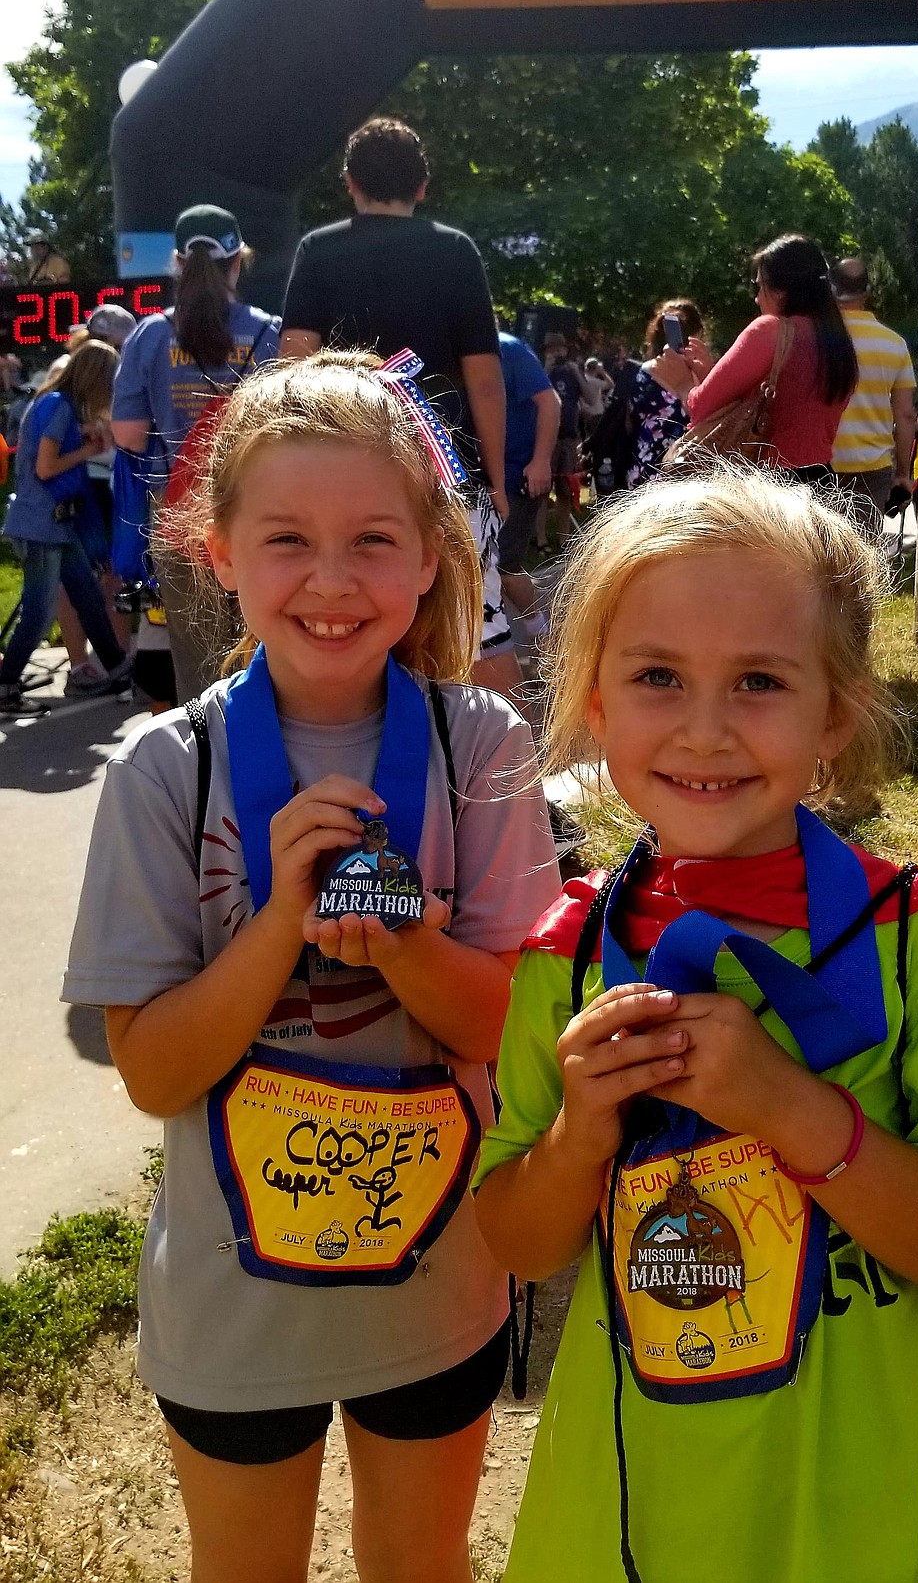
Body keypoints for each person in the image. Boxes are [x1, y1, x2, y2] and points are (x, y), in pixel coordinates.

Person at [474, 466, 918, 1583]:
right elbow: (516, 1241)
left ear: (835, 710)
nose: (705, 730)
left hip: (846, 1517)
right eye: (656, 675)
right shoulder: (568, 950)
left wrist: (791, 1109)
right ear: (595, 701)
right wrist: (579, 1135)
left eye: (758, 681)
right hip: (617, 1518)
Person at [63, 351, 561, 1583]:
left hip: (438, 1286)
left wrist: (401, 940)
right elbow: (155, 1068)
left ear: (434, 553)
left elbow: (512, 1024)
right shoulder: (162, 772)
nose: (332, 581)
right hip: (233, 1306)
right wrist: (281, 915)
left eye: (373, 540)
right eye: (286, 538)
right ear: (218, 550)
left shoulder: (481, 744)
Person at [277, 117, 521, 700]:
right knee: (478, 621)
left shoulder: (318, 251)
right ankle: (505, 773)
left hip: (342, 468)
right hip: (446, 467)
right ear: (423, 186)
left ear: (348, 182)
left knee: (359, 619)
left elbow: (293, 367)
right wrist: (497, 479)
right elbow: (485, 380)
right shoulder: (455, 252)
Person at [111, 205, 280, 702]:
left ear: (178, 264)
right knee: (261, 646)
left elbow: (127, 435)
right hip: (259, 512)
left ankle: (205, 769)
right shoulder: (270, 332)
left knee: (196, 664)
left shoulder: (149, 335)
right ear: (237, 262)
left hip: (178, 517)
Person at [655, 235, 858, 480]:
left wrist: (682, 383)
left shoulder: (769, 330)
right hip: (820, 480)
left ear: (782, 292)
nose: (757, 298)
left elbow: (699, 407)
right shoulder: (838, 342)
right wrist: (709, 373)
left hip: (768, 487)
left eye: (761, 287)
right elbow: (792, 402)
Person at [1, 342, 132, 714]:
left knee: (89, 598)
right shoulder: (59, 406)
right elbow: (46, 467)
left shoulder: (55, 404)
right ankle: (6, 685)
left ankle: (119, 669)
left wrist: (84, 435)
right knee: (40, 614)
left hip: (55, 524)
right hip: (42, 525)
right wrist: (88, 451)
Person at [829, 256, 918, 535]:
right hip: (872, 469)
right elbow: (905, 415)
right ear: (868, 291)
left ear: (831, 288)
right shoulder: (894, 344)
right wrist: (902, 473)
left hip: (820, 465)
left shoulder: (816, 340)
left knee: (818, 556)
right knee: (862, 554)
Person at [498, 327, 560, 652]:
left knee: (505, 568)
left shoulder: (510, 350)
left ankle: (543, 635)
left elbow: (550, 402)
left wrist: (541, 461)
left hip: (517, 477)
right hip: (477, 480)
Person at [627, 300, 703, 487]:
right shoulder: (700, 376)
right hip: (684, 474)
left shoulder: (642, 374)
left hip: (641, 471)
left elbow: (630, 423)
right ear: (697, 335)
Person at [540, 335, 586, 546]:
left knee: (566, 490)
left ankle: (564, 539)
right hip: (548, 437)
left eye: (561, 349)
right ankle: (540, 539)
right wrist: (547, 369)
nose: (558, 353)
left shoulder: (572, 372)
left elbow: (591, 398)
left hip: (568, 437)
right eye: (553, 350)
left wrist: (576, 372)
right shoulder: (540, 371)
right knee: (542, 492)